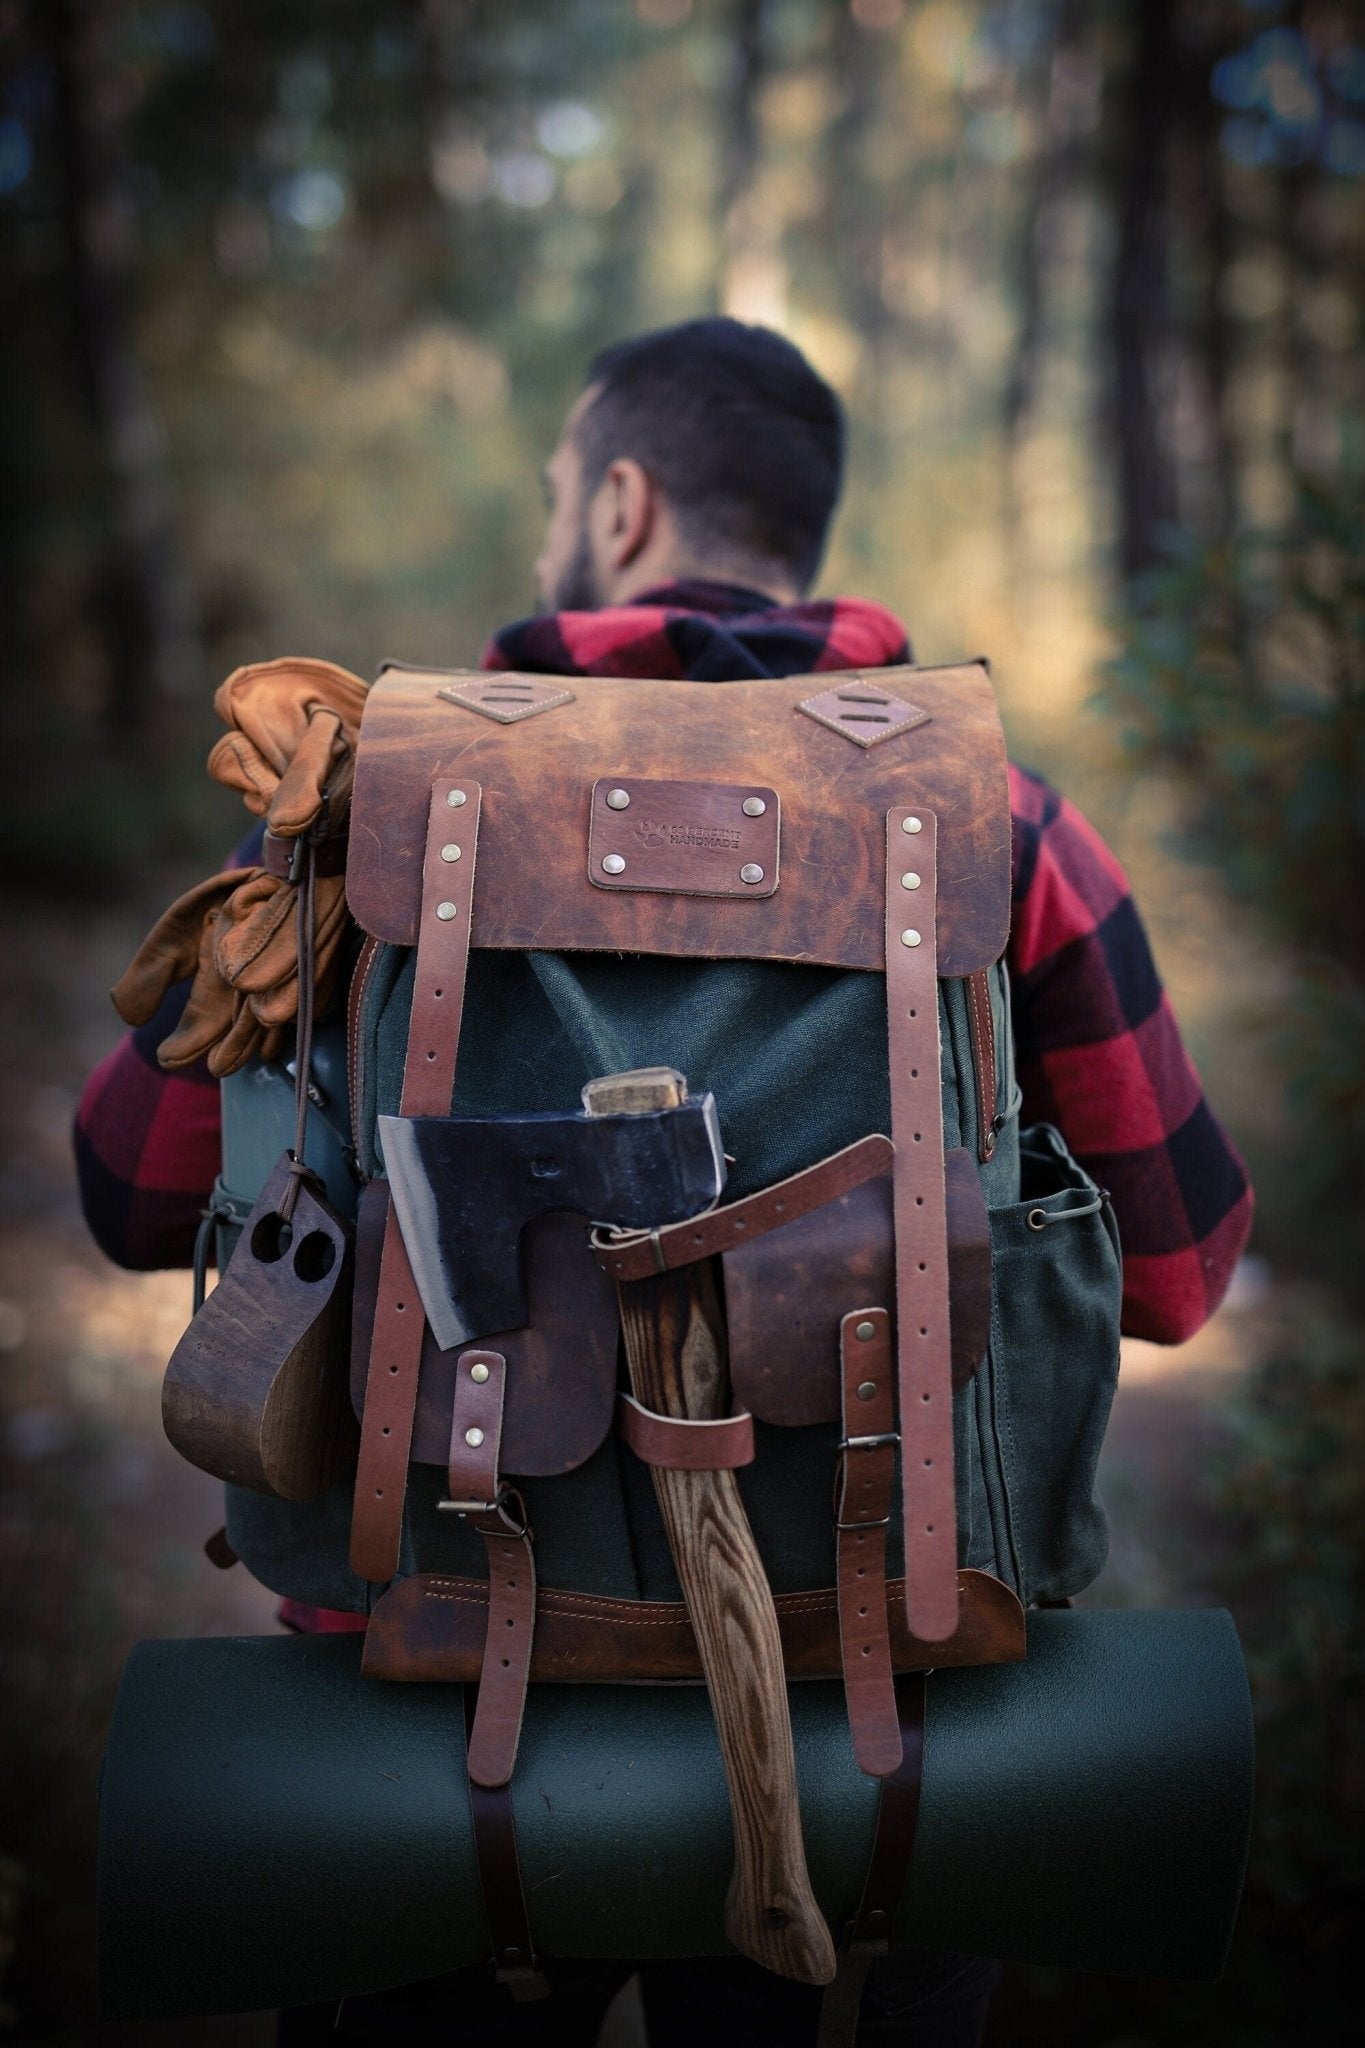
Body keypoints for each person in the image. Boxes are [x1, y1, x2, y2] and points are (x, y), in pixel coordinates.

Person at [75, 317, 1253, 2044]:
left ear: (618, 504)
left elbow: (127, 1193)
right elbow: (1179, 1274)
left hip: (412, 1713)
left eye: (562, 483)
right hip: (877, 1708)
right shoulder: (996, 821)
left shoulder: (353, 812)